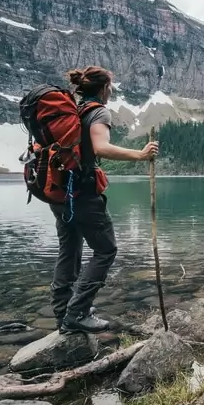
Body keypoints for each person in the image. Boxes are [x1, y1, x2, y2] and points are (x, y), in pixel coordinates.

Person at [50, 65, 159, 334]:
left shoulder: (71, 110)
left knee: (69, 251)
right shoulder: (98, 111)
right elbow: (100, 147)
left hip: (59, 192)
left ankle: (64, 312)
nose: (111, 91)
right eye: (110, 86)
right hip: (83, 194)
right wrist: (140, 155)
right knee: (106, 250)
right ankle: (77, 313)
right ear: (104, 88)